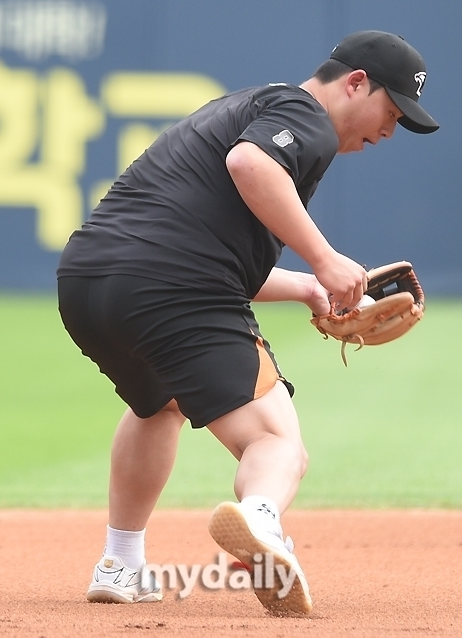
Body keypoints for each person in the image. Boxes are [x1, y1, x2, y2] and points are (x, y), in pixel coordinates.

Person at [57, 30, 438, 616]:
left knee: (158, 405)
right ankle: (262, 524)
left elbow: (208, 251)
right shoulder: (303, 116)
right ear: (356, 83)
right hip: (172, 288)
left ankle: (120, 563)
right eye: (392, 111)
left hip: (89, 282)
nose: (389, 130)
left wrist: (309, 288)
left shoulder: (244, 107)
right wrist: (325, 259)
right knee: (277, 442)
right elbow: (248, 163)